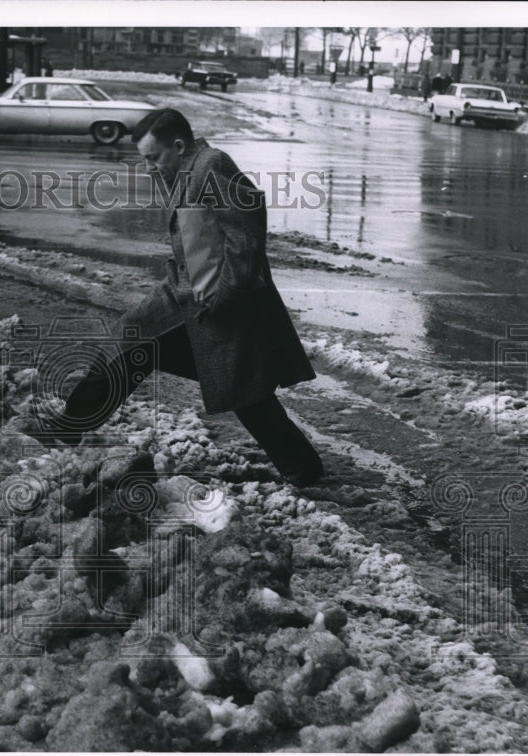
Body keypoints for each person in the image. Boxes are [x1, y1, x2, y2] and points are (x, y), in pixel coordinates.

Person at [38, 108, 324, 488]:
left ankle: (303, 466)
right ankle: (70, 426)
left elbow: (246, 235)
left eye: (153, 158)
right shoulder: (182, 170)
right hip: (183, 294)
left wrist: (224, 296)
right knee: (132, 338)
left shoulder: (211, 165)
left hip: (222, 303)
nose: (150, 168)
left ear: (177, 145)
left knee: (242, 388)